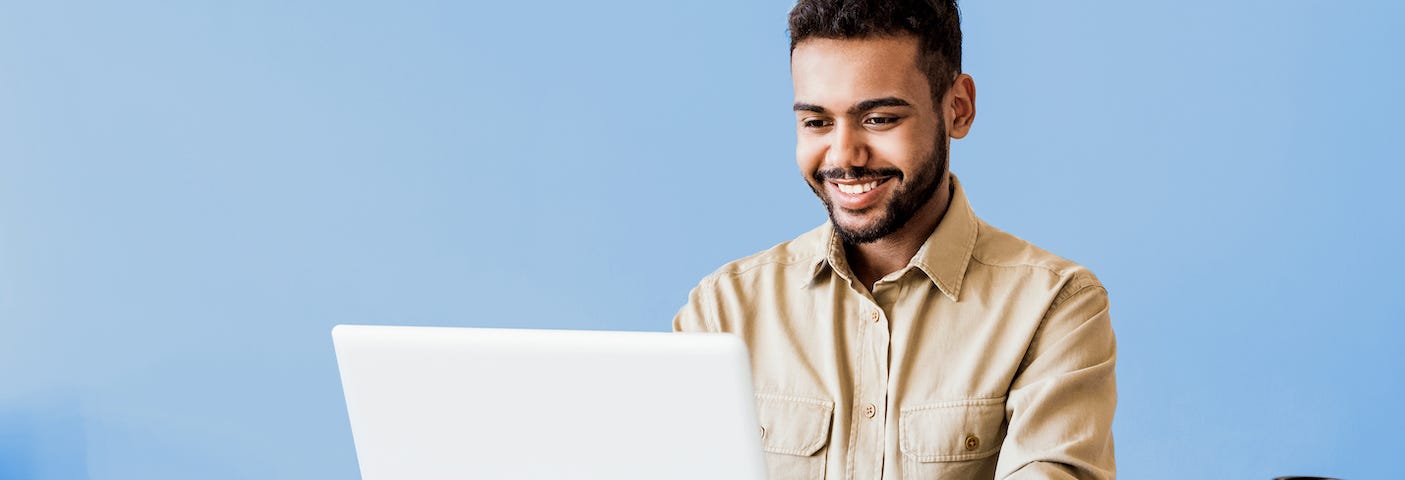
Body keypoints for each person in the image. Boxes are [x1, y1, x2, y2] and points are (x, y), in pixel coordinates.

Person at [671, 1, 1117, 479]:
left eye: (879, 118)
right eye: (817, 122)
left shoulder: (1054, 308)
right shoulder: (723, 312)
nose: (844, 156)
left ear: (958, 109)